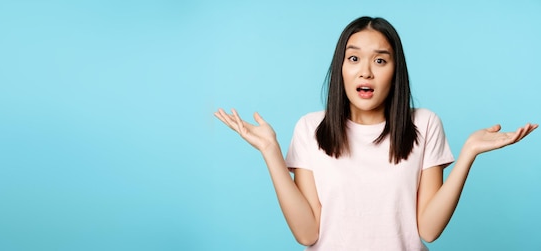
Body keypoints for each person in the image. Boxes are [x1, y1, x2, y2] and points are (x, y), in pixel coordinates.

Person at [213, 16, 538, 251]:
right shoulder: (310, 128)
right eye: (353, 58)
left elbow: (428, 230)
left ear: (396, 72)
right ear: (340, 68)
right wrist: (271, 152)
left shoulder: (424, 124)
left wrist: (467, 154)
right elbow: (307, 234)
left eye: (380, 60)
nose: (365, 70)